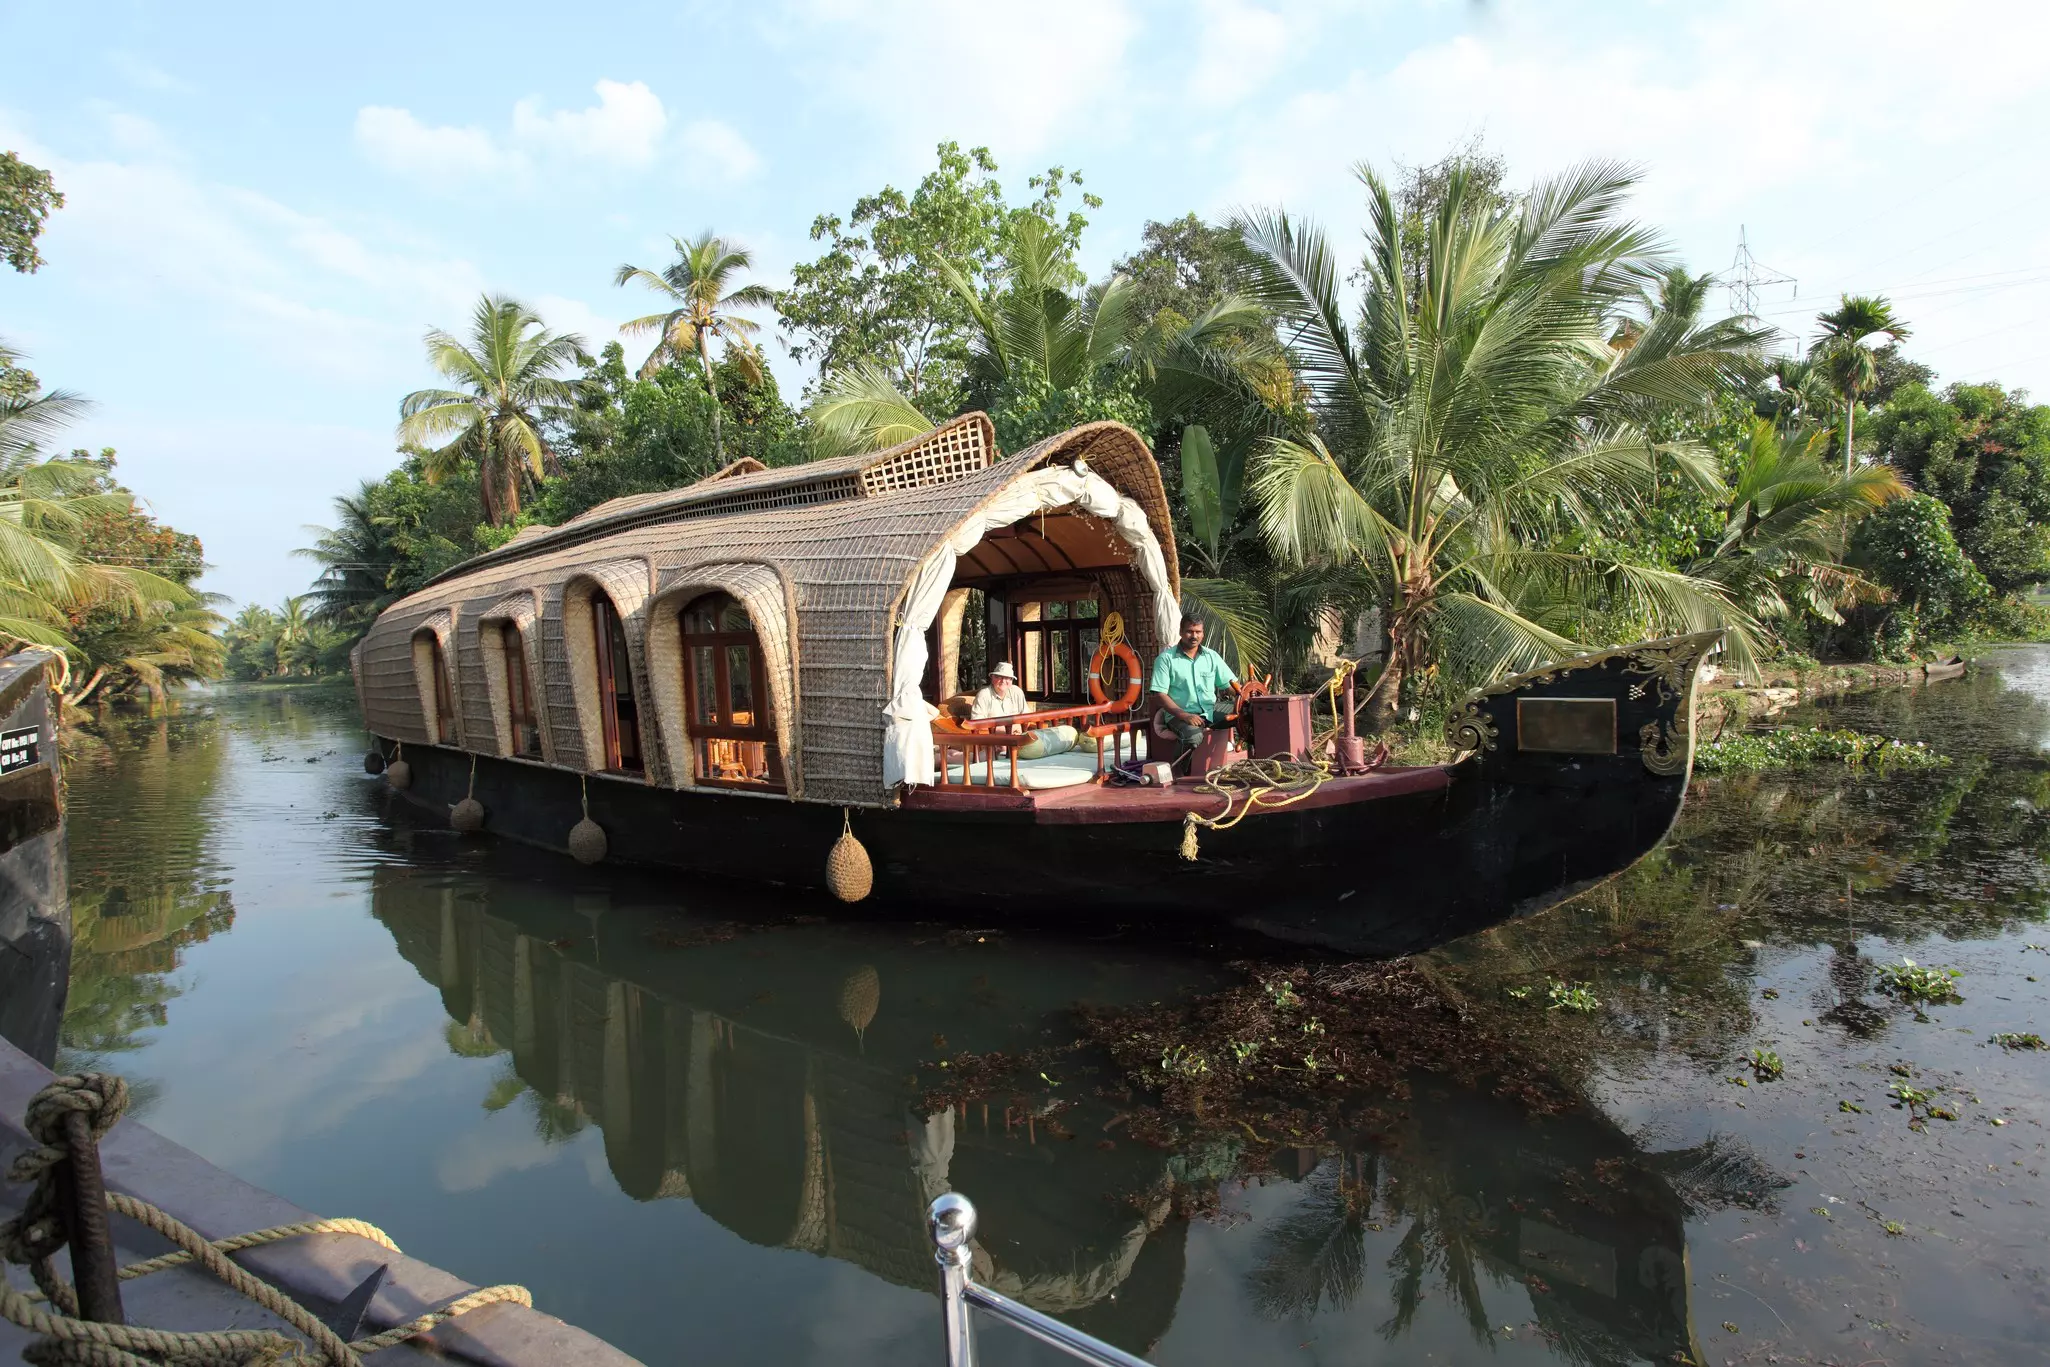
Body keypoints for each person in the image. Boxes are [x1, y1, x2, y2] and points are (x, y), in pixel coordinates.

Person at [1149, 614, 1237, 764]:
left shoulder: (1212, 656)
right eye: (1190, 631)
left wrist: (1248, 698)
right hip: (1179, 715)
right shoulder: (1165, 660)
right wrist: (1184, 715)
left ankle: (1260, 761)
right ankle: (1177, 773)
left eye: (1198, 632)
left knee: (1250, 713)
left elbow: (1231, 686)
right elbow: (1159, 694)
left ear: (1203, 633)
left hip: (1210, 710)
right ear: (1181, 632)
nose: (1194, 636)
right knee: (1193, 737)